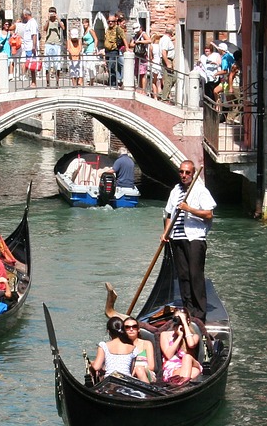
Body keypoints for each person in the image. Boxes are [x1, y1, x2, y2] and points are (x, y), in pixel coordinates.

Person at [162, 160, 216, 322]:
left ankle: (200, 313)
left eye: (187, 172)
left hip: (194, 237)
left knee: (195, 275)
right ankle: (188, 309)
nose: (184, 175)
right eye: (181, 172)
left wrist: (189, 209)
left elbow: (208, 214)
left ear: (193, 174)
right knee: (183, 275)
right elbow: (169, 214)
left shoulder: (200, 190)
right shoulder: (175, 191)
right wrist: (166, 233)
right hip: (176, 238)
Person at [90, 315, 155, 383]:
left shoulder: (103, 345)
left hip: (110, 380)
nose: (131, 329)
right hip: (127, 380)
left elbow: (96, 367)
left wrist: (91, 365)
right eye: (127, 327)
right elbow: (131, 369)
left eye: (134, 326)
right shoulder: (133, 348)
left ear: (108, 331)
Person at [158, 308, 203, 386]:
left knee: (187, 357)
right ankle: (183, 386)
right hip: (173, 368)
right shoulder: (165, 334)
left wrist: (185, 324)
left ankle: (181, 387)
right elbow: (168, 355)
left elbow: (191, 345)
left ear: (188, 320)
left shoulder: (194, 336)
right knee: (195, 371)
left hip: (191, 363)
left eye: (181, 319)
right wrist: (179, 336)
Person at [103, 13, 129, 86]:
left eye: (112, 21)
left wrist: (127, 48)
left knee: (112, 66)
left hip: (114, 51)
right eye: (109, 21)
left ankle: (113, 84)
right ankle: (111, 83)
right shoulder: (107, 29)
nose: (110, 23)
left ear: (115, 22)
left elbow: (124, 38)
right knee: (109, 67)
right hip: (107, 51)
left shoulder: (118, 29)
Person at [16, 8, 40, 86]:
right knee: (29, 64)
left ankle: (33, 82)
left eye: (23, 15)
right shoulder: (28, 23)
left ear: (26, 15)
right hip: (27, 47)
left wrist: (34, 46)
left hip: (31, 47)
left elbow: (34, 35)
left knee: (32, 65)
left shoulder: (32, 23)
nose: (23, 17)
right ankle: (31, 81)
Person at [42, 7, 64, 86]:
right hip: (48, 43)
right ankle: (48, 83)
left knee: (57, 64)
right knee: (47, 64)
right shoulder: (47, 21)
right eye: (50, 12)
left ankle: (57, 82)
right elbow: (44, 29)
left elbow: (63, 27)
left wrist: (58, 19)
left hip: (56, 44)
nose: (52, 13)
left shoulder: (57, 21)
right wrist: (48, 19)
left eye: (53, 12)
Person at [156, 28, 175, 101]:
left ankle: (163, 93)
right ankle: (164, 97)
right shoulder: (166, 40)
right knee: (168, 80)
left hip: (167, 60)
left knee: (174, 78)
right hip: (167, 60)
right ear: (171, 33)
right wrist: (168, 63)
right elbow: (164, 52)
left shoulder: (164, 39)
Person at [133, 26, 152, 93]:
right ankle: (140, 88)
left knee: (143, 74)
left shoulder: (143, 34)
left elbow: (149, 40)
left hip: (143, 56)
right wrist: (135, 43)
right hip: (137, 56)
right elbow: (131, 44)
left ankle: (143, 90)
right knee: (137, 73)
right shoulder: (135, 35)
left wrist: (140, 42)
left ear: (140, 28)